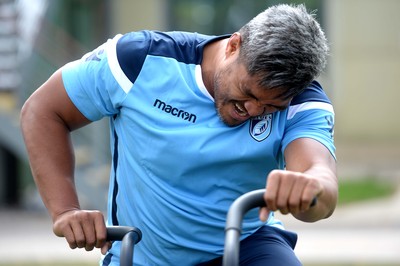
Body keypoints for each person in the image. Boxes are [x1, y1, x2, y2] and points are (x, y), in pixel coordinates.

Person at [20, 3, 337, 266]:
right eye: (247, 92)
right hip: (143, 253)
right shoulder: (138, 61)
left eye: (271, 106)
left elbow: (321, 179)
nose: (253, 110)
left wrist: (308, 189)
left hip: (246, 246)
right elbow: (42, 111)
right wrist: (65, 210)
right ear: (233, 46)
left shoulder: (304, 101)